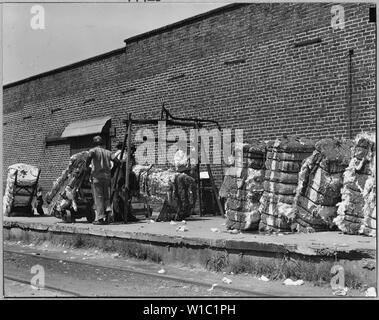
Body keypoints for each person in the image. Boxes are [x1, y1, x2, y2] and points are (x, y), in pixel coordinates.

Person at [87, 135, 120, 225]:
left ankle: (101, 218)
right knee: (106, 197)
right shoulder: (108, 152)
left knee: (99, 198)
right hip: (107, 177)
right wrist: (111, 171)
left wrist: (87, 167)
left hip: (97, 177)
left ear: (94, 143)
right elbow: (117, 162)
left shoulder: (93, 150)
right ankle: (108, 214)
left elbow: (89, 156)